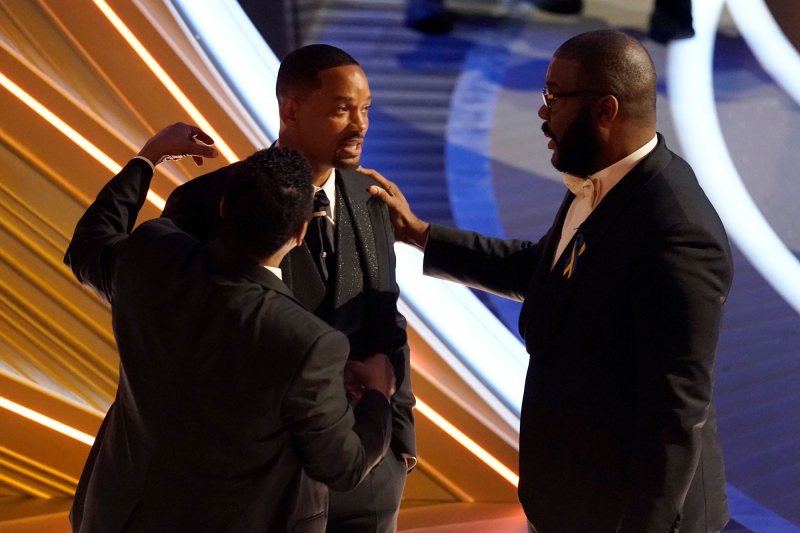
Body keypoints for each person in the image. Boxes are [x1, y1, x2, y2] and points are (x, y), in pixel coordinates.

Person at [366, 30, 732, 532]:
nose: (542, 112)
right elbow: (544, 270)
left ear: (605, 110)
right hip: (571, 500)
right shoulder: (602, 177)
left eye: (555, 97)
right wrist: (421, 235)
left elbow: (674, 411)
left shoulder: (677, 232)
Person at [64, 123, 396, 532]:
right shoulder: (308, 343)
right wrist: (379, 395)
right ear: (300, 232)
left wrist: (148, 158)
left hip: (119, 516)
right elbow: (344, 467)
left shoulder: (150, 255)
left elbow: (88, 244)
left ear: (223, 208)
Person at [161, 45, 415, 533]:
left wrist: (399, 441)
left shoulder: (371, 196)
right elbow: (188, 346)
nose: (360, 126)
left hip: (369, 478)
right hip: (262, 488)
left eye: (365, 110)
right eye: (343, 109)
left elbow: (388, 318)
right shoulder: (206, 203)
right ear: (291, 110)